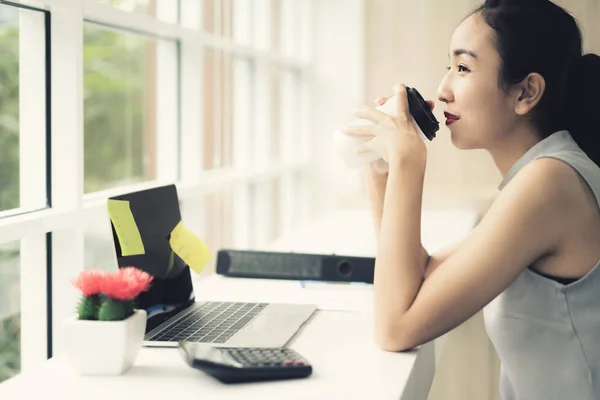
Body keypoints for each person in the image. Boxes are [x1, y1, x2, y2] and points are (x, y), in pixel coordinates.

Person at [341, 0, 600, 398]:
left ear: (526, 92)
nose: (443, 89)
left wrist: (410, 163)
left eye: (462, 68)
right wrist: (384, 174)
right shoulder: (542, 176)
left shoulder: (550, 182)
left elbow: (395, 327)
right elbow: (419, 281)